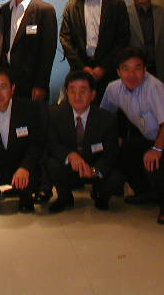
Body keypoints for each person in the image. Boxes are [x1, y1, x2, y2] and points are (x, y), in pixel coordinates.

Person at [101, 47, 164, 224]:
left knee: (155, 160)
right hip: (150, 138)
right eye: (126, 69)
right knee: (124, 151)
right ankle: (146, 192)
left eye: (137, 68)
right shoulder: (113, 89)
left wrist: (157, 149)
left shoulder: (155, 87)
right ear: (118, 72)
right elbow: (104, 115)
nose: (131, 74)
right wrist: (114, 136)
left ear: (145, 69)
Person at [46, 71, 123, 213]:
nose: (77, 96)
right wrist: (70, 154)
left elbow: (111, 153)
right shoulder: (54, 114)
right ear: (67, 93)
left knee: (116, 177)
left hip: (95, 167)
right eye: (72, 91)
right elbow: (52, 144)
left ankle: (101, 196)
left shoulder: (107, 119)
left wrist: (94, 170)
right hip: (70, 167)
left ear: (92, 95)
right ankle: (64, 197)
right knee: (51, 163)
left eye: (83, 91)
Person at [0, 67, 44, 213]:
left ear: (12, 88)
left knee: (34, 177)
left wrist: (25, 167)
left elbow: (37, 144)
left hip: (20, 165)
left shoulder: (29, 109)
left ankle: (25, 195)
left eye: (3, 87)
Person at [60, 0, 130, 99]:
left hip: (109, 72)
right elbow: (65, 39)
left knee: (108, 109)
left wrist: (104, 67)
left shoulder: (117, 5)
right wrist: (82, 67)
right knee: (80, 107)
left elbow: (122, 39)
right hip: (80, 71)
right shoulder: (72, 7)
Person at [0, 0, 57, 101]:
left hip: (32, 85)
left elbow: (48, 52)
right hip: (8, 81)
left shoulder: (45, 10)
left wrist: (41, 85)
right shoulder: (5, 10)